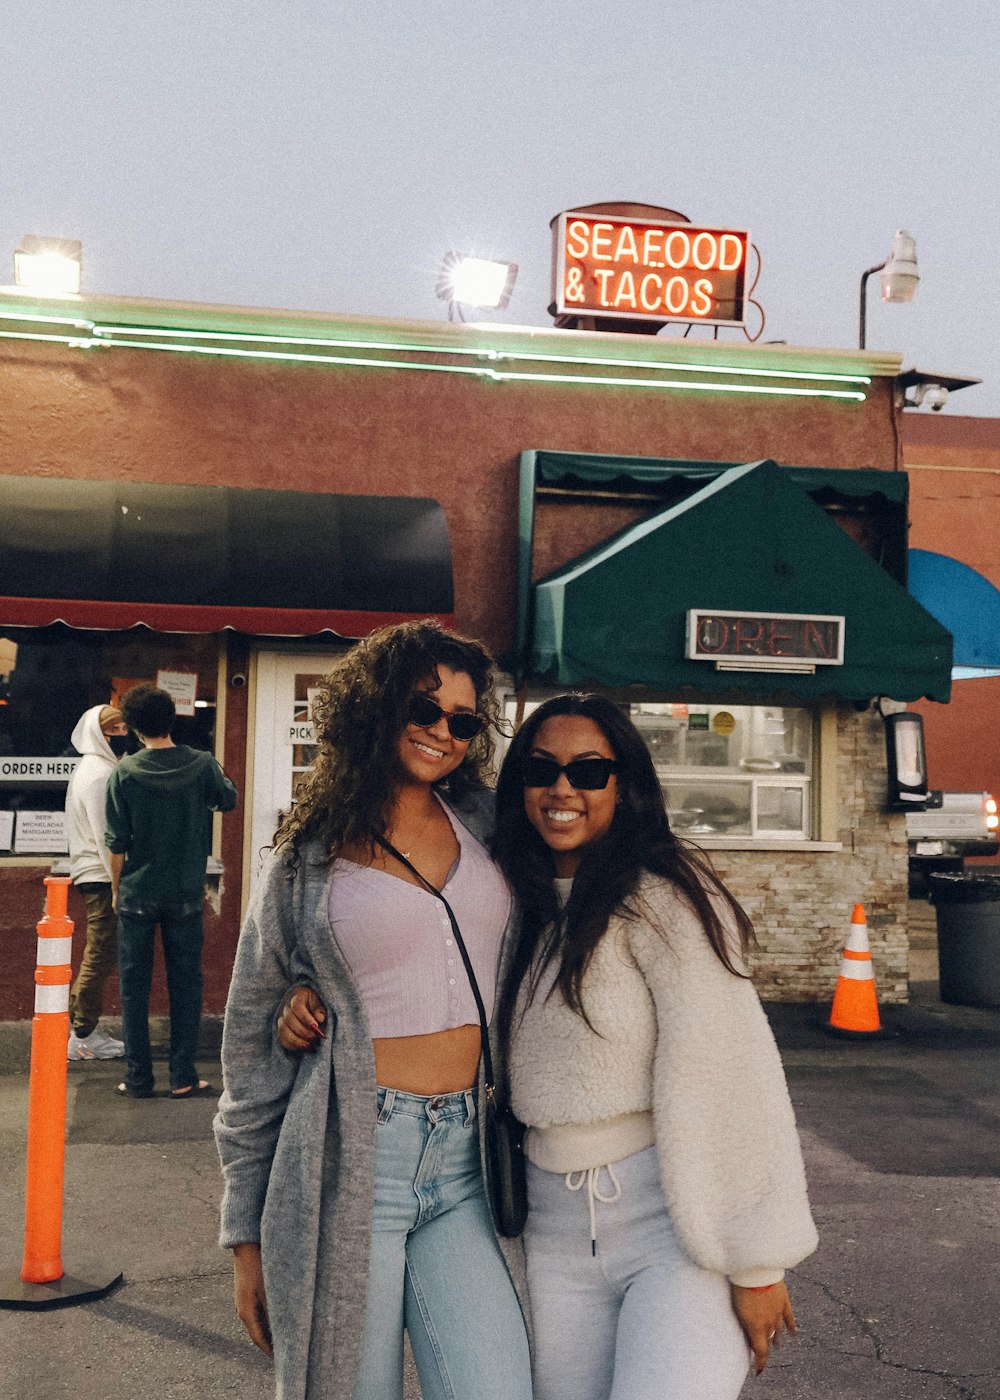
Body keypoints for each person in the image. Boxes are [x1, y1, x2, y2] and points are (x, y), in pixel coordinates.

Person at [213, 621, 531, 1400]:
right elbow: (250, 1055)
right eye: (424, 709)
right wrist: (246, 1237)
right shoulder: (310, 859)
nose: (443, 734)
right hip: (352, 1160)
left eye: (463, 720)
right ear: (375, 707)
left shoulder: (488, 826)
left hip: (466, 1161)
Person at [492, 693, 818, 1400]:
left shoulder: (661, 897)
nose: (562, 790)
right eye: (541, 770)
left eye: (589, 772)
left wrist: (757, 1263)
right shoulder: (507, 899)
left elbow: (729, 1070)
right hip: (551, 1232)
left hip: (668, 1227)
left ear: (626, 785)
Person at [106, 683, 238, 1099]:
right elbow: (228, 799)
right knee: (186, 984)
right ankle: (182, 1075)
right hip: (183, 892)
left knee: (134, 986)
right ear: (173, 718)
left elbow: (117, 842)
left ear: (133, 727)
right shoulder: (201, 764)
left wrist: (116, 890)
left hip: (136, 893)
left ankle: (139, 1078)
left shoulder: (124, 772)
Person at [65, 704, 130, 1061]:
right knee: (99, 953)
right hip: (102, 876)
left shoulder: (96, 768)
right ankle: (82, 1034)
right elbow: (108, 837)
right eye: (114, 729)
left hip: (96, 874)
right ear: (99, 734)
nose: (122, 733)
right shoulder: (99, 774)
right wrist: (118, 885)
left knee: (99, 952)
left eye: (123, 726)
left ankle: (79, 1027)